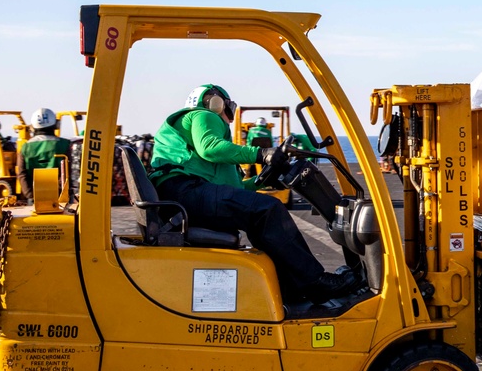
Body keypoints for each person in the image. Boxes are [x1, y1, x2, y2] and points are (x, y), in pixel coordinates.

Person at [148, 84, 358, 304]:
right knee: (268, 210)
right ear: (217, 103)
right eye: (230, 108)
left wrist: (259, 181)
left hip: (183, 195)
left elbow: (231, 190)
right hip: (186, 192)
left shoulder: (188, 135)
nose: (229, 118)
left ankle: (291, 290)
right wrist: (262, 154)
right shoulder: (204, 115)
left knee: (258, 209)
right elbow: (210, 148)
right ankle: (314, 282)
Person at [16, 108, 71, 203]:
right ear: (56, 125)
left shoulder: (25, 147)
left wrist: (30, 195)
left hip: (35, 198)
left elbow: (22, 174)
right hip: (62, 196)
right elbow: (72, 171)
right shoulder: (65, 144)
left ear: (33, 126)